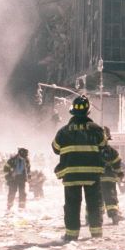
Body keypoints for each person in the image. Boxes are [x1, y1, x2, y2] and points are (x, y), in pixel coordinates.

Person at [52, 95, 107, 242]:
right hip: (92, 174)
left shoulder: (63, 131)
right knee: (94, 203)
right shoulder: (96, 129)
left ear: (73, 112)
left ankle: (71, 234)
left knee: (72, 204)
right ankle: (96, 233)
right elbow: (103, 145)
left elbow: (56, 148)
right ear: (88, 112)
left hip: (71, 175)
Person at [100, 127, 125, 225]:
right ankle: (114, 217)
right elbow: (117, 165)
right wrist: (120, 175)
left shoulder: (92, 151)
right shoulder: (112, 151)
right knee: (110, 197)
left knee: (94, 199)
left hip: (95, 180)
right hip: (109, 180)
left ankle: (91, 218)